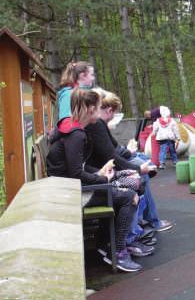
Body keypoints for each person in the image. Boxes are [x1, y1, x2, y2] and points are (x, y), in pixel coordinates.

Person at [46, 88, 142, 272]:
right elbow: (75, 173)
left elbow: (77, 168)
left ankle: (107, 243)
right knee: (130, 197)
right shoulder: (77, 135)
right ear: (90, 109)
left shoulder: (72, 127)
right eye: (99, 108)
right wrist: (101, 177)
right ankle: (117, 251)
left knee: (131, 181)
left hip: (68, 187)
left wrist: (100, 172)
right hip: (71, 193)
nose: (100, 113)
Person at [85, 90, 160, 258]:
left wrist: (129, 157)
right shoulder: (93, 126)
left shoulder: (97, 125)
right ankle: (126, 240)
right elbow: (107, 157)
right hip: (94, 182)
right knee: (134, 186)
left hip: (101, 175)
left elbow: (112, 151)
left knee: (138, 176)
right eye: (97, 108)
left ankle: (132, 232)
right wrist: (137, 170)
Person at [57, 61, 95, 127]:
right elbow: (66, 123)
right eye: (92, 75)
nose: (93, 78)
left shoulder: (86, 93)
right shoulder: (68, 95)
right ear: (82, 75)